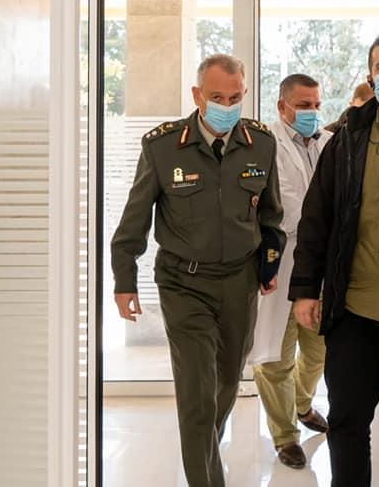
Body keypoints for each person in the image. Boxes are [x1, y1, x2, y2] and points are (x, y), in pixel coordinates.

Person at [110, 54, 285, 487]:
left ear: (245, 94)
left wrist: (268, 264)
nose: (226, 105)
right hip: (183, 282)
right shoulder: (163, 146)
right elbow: (135, 218)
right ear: (197, 95)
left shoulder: (261, 143)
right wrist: (124, 280)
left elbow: (271, 215)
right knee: (197, 396)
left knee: (225, 384)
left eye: (234, 97)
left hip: (239, 281)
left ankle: (204, 448)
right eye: (216, 97)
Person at [289, 31, 379, 487]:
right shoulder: (344, 142)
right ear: (370, 77)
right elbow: (316, 218)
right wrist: (306, 290)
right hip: (353, 307)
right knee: (347, 422)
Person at [249, 74, 332, 469]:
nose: (311, 112)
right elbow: (278, 209)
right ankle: (285, 435)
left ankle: (301, 402)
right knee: (275, 358)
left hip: (320, 265)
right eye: (303, 105)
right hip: (279, 264)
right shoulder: (264, 145)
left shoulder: (330, 144)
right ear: (282, 107)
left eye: (316, 105)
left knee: (319, 350)